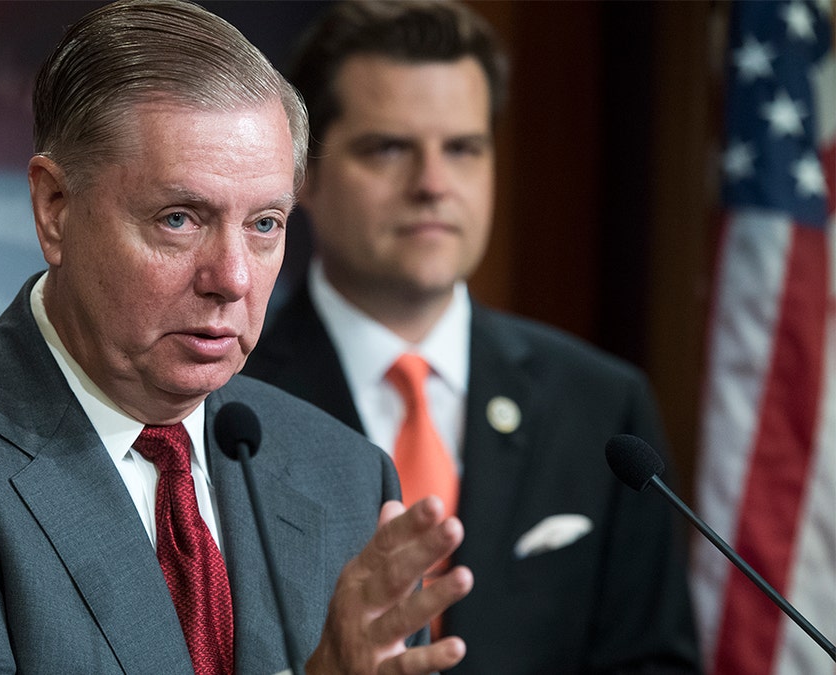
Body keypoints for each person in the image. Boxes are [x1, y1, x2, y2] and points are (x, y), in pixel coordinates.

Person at [0, 1, 474, 673]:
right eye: (179, 218)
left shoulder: (347, 476)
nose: (231, 278)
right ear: (54, 208)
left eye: (265, 224)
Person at [243, 1, 700, 673]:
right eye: (389, 148)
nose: (433, 184)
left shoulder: (602, 408)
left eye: (462, 148)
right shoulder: (230, 399)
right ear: (301, 175)